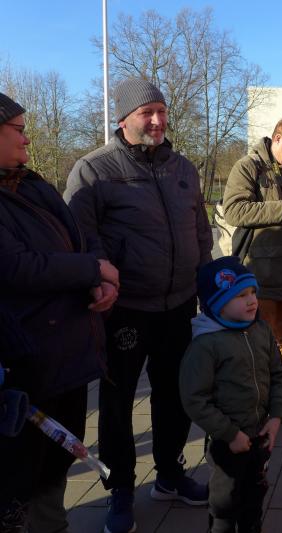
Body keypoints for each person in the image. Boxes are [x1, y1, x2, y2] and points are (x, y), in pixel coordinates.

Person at [64, 78, 212, 533]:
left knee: (175, 395)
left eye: (161, 111)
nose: (157, 120)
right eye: (147, 112)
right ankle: (121, 489)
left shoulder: (183, 168)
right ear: (123, 118)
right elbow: (79, 238)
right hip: (124, 309)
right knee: (117, 404)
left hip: (179, 304)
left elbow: (201, 231)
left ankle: (168, 474)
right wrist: (100, 277)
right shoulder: (94, 170)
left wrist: (207, 282)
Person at [0, 92, 118, 532]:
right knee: (20, 472)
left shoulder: (33, 185)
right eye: (18, 130)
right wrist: (92, 269)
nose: (27, 139)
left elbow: (77, 239)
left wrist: (97, 277)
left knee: (57, 459)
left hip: (66, 355)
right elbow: (15, 267)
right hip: (22, 362)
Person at [180, 256, 282, 532]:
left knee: (255, 495)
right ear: (217, 303)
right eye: (240, 295)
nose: (252, 300)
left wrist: (276, 417)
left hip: (260, 434)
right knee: (224, 504)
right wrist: (230, 434)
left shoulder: (261, 330)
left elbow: (279, 374)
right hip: (226, 442)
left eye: (253, 292)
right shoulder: (206, 345)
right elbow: (195, 399)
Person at [223, 117, 282, 428]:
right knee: (257, 345)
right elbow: (235, 210)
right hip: (260, 276)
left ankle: (277, 401)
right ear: (277, 139)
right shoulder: (249, 168)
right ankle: (253, 404)